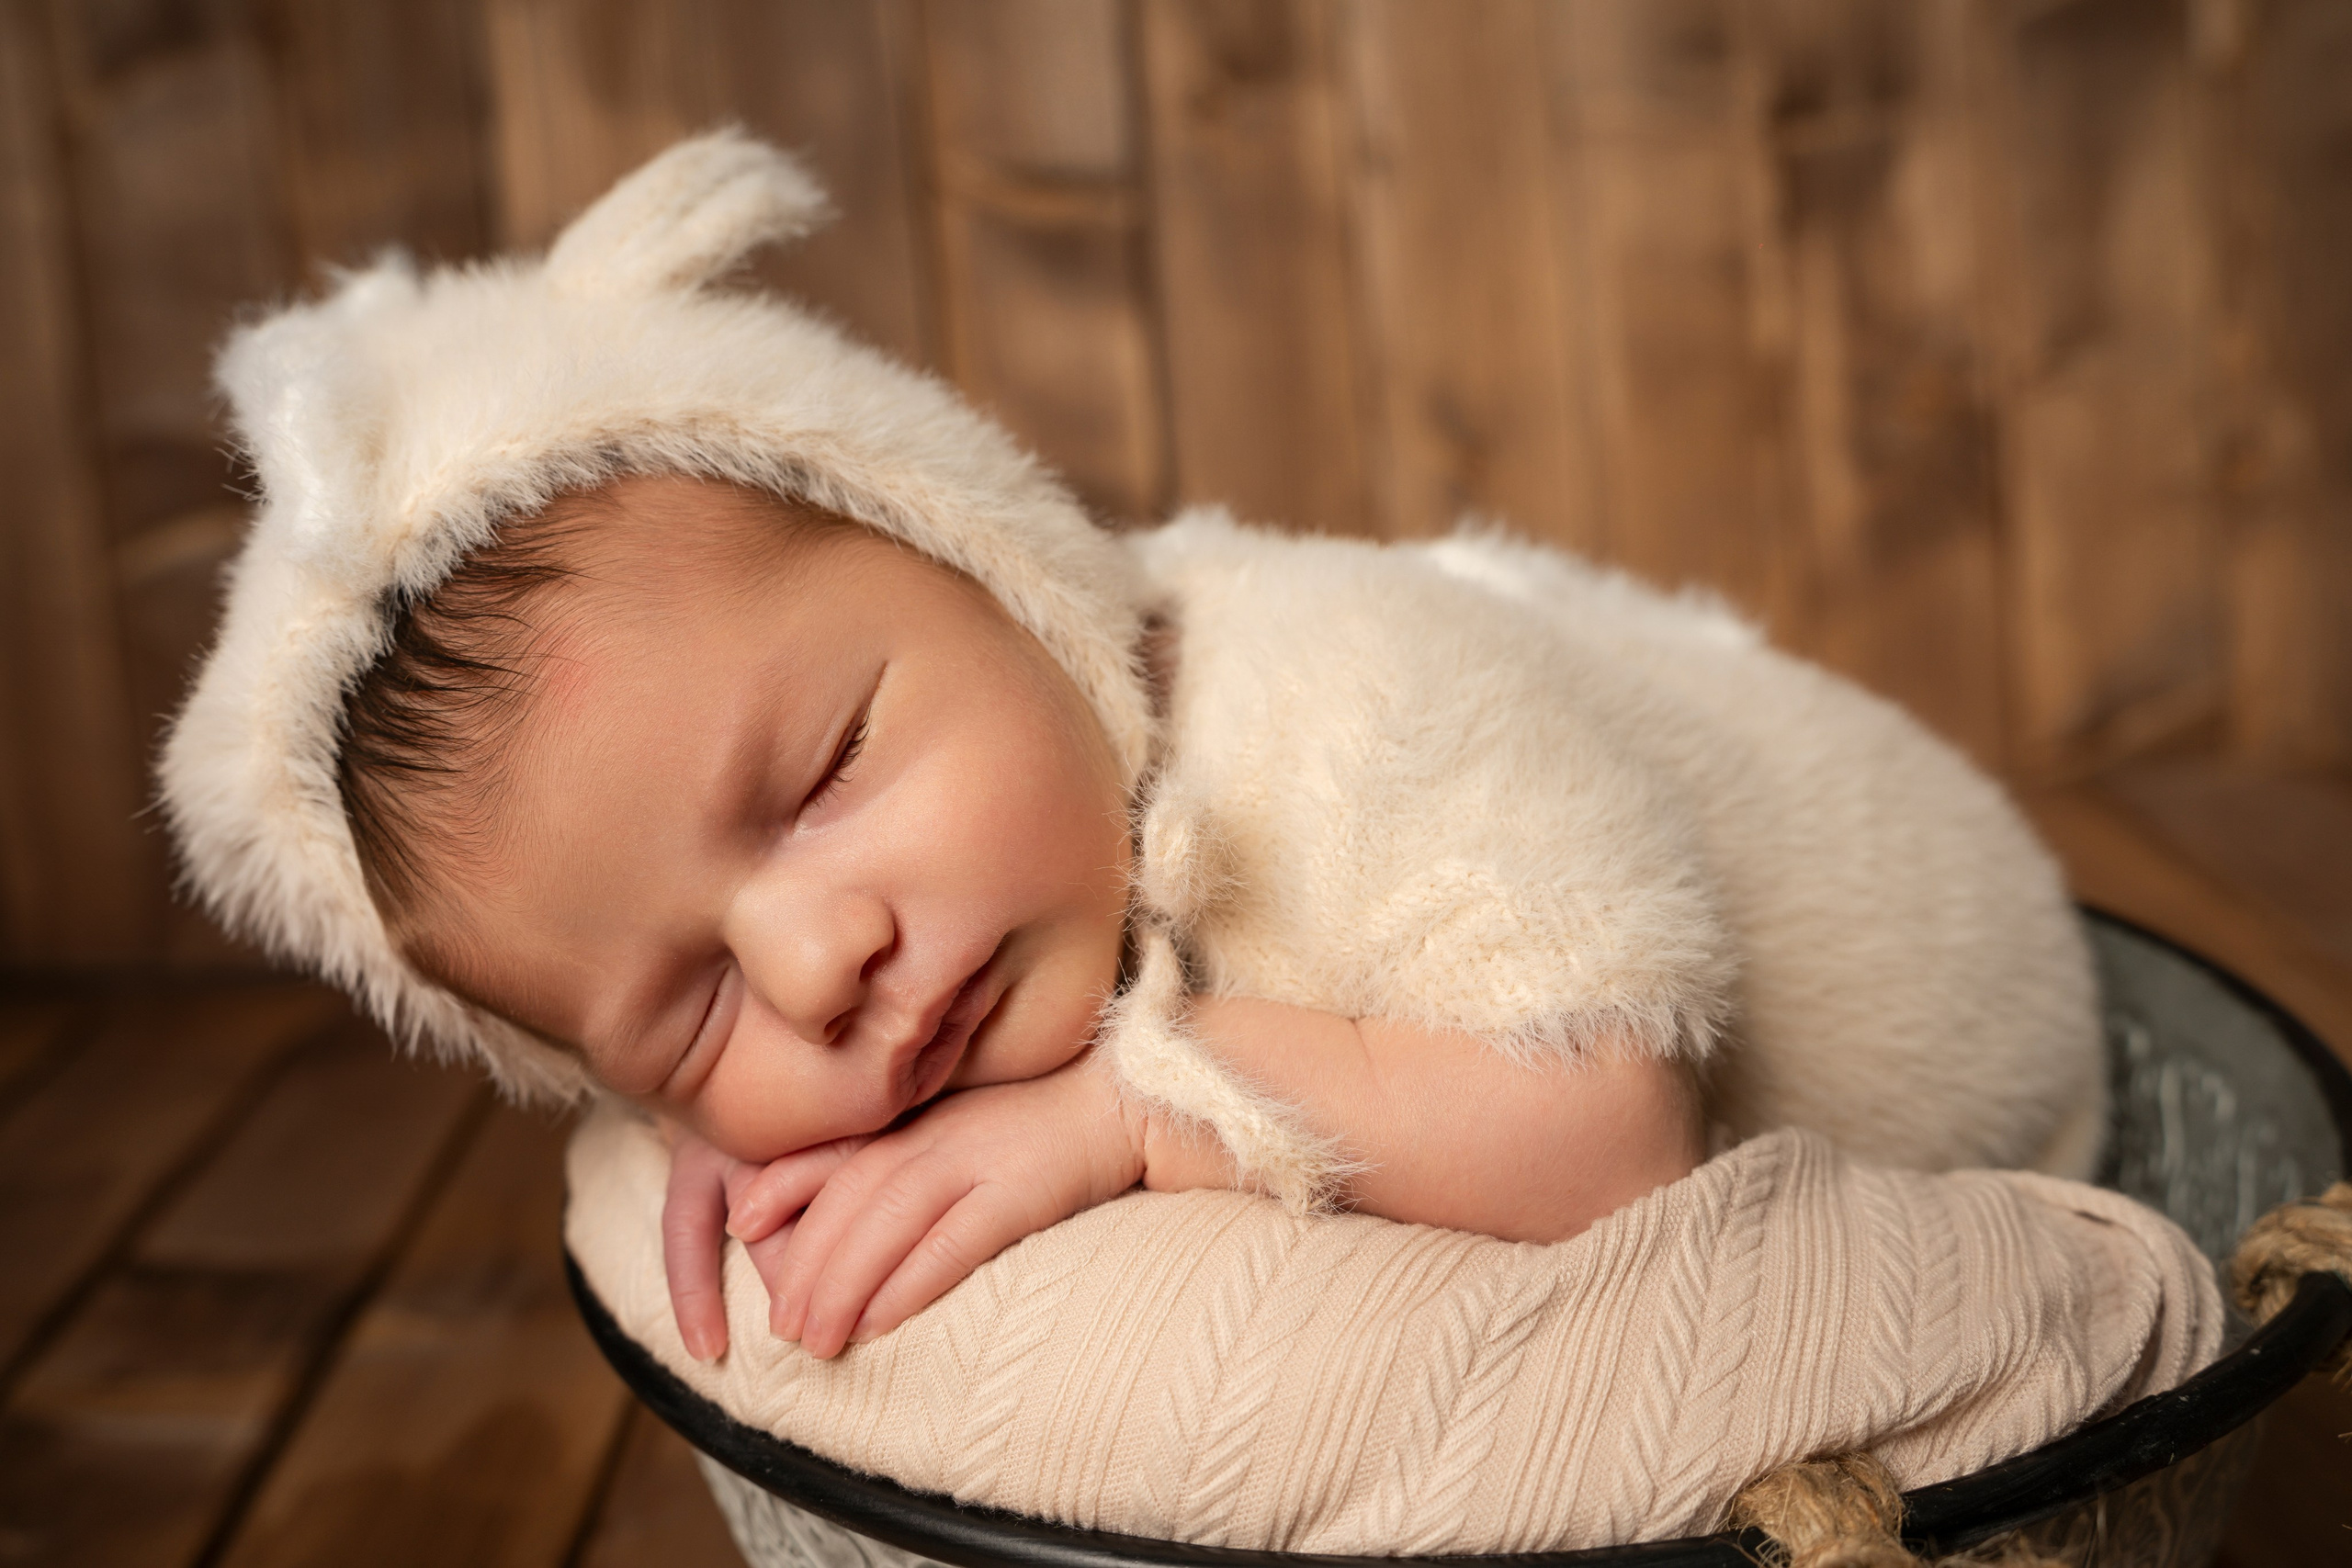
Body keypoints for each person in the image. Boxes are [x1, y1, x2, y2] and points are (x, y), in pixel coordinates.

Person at [159, 132, 2102, 1372]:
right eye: (680, 999)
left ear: (993, 561)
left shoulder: (1350, 695)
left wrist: (1121, 1114)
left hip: (1978, 1052)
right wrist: (701, 1114)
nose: (813, 963)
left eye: (828, 767)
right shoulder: (961, 864)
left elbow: (1606, 1133)